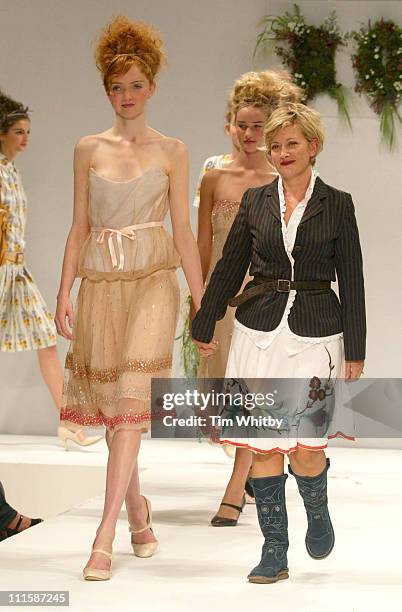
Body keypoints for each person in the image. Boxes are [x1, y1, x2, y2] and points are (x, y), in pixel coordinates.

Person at [55, 16, 203, 581]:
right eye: (117, 87)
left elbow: (185, 233)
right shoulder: (87, 148)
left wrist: (200, 298)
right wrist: (64, 289)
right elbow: (78, 226)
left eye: (136, 84)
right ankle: (139, 516)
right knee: (121, 408)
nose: (127, 96)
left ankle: (104, 534)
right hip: (100, 285)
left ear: (153, 87)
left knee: (134, 397)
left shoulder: (173, 150)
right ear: (106, 90)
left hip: (152, 283)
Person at [192, 103, 366, 583]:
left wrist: (356, 349)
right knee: (265, 445)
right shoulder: (255, 201)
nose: (283, 152)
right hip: (258, 330)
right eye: (276, 144)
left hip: (315, 333)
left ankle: (318, 507)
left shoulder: (338, 203)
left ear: (313, 146)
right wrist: (205, 319)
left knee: (306, 447)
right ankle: (274, 550)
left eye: (292, 143)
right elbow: (230, 264)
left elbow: (352, 277)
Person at [196, 71, 302, 527]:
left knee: (252, 395)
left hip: (262, 304)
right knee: (223, 398)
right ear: (230, 124)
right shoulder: (213, 177)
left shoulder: (285, 182)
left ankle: (236, 488)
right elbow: (201, 244)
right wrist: (198, 302)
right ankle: (257, 473)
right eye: (242, 124)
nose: (250, 134)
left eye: (259, 125)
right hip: (220, 303)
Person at [0, 89, 102, 449]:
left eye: (27, 131)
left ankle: (67, 423)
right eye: (18, 132)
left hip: (16, 271)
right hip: (2, 269)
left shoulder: (11, 171)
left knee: (45, 336)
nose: (25, 138)